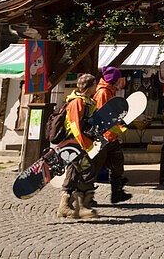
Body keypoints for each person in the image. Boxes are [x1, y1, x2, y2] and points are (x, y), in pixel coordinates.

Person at [57, 73, 98, 219]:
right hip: (73, 143)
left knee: (73, 173)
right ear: (89, 86)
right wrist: (83, 144)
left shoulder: (88, 101)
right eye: (94, 84)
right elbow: (74, 124)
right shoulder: (77, 102)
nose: (96, 87)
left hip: (76, 143)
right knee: (87, 170)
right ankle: (83, 207)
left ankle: (64, 206)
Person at [88, 66, 130, 204]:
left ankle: (117, 193)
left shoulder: (110, 91)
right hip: (103, 137)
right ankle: (87, 198)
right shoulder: (103, 93)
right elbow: (102, 116)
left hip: (111, 136)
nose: (120, 81)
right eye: (118, 79)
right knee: (95, 167)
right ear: (114, 80)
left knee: (118, 161)